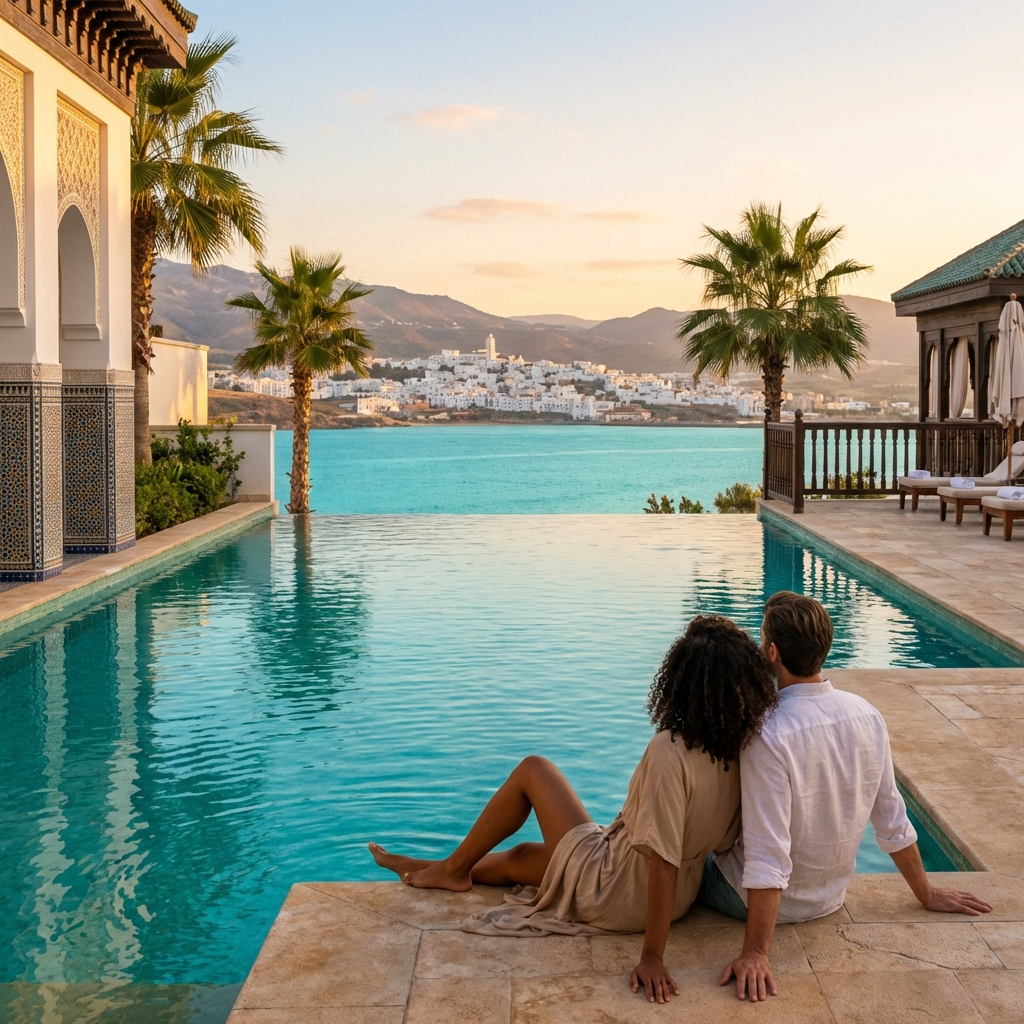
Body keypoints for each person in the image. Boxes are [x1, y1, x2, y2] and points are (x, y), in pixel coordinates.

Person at [369, 615, 778, 1004]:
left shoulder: (671, 750)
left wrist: (652, 956)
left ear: (681, 681)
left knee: (534, 769)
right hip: (679, 901)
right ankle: (437, 867)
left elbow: (662, 861)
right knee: (527, 858)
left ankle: (452, 870)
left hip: (616, 888)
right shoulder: (743, 750)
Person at [706, 591, 993, 1002]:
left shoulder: (766, 733)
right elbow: (891, 818)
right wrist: (925, 894)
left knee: (687, 858)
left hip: (761, 902)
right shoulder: (866, 714)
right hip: (830, 897)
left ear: (771, 651)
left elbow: (769, 853)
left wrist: (755, 952)